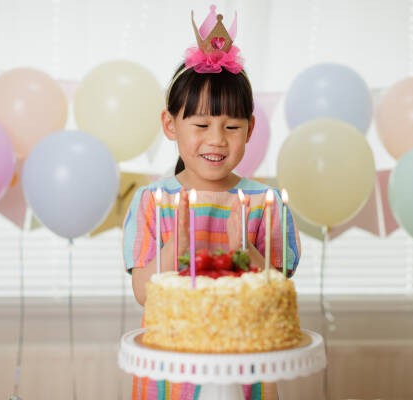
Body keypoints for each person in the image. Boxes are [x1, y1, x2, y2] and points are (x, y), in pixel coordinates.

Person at [122, 6, 301, 400]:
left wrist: (247, 252)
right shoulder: (154, 201)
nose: (217, 140)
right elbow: (142, 290)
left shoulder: (264, 203)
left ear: (250, 129)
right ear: (171, 125)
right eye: (201, 125)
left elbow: (277, 288)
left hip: (244, 368)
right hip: (170, 369)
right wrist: (178, 247)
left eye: (232, 127)